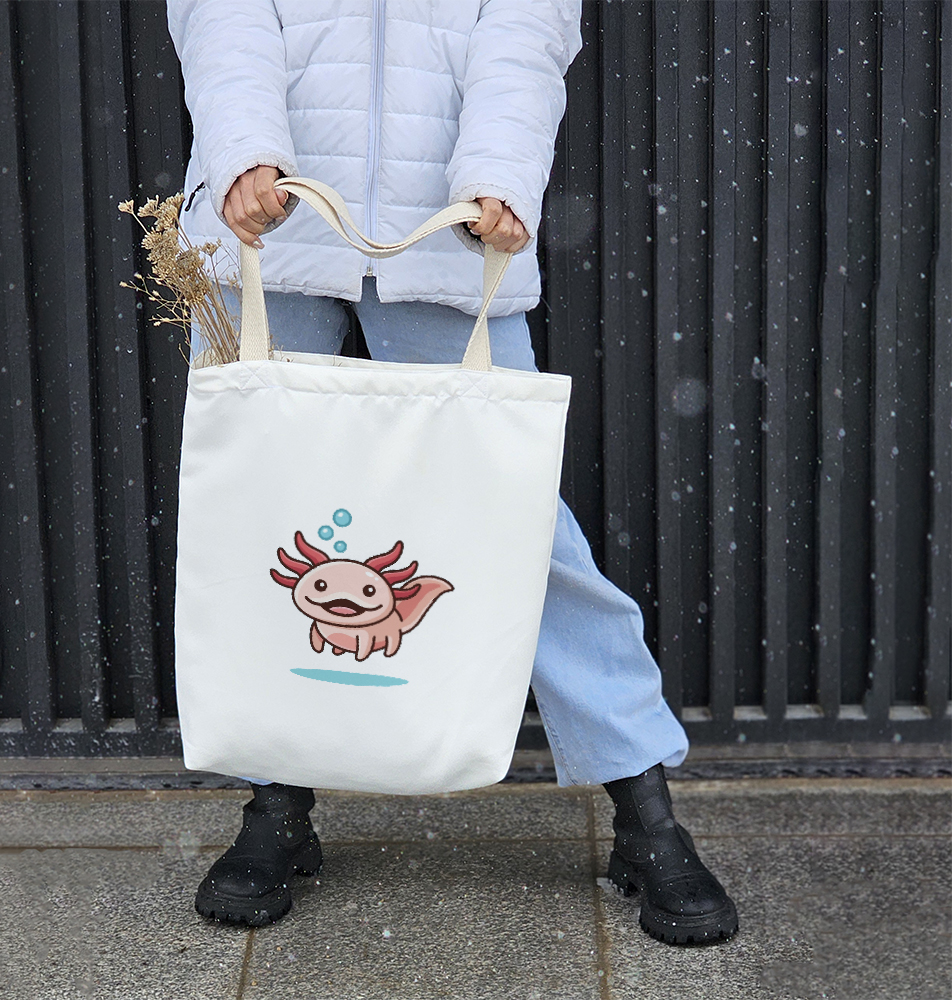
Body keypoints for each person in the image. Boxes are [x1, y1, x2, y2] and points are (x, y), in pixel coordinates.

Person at [167, 0, 738, 946]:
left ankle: (645, 813)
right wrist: (243, 153)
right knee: (264, 526)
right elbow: (224, 15)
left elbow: (525, 29)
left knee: (521, 529)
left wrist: (500, 175)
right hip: (267, 229)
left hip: (448, 233)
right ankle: (275, 803)